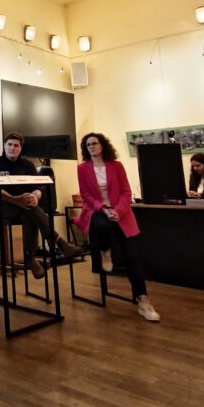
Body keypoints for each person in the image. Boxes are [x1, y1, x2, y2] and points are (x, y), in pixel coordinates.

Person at [76, 132, 160, 321]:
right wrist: (104, 209)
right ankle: (105, 251)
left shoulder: (116, 165)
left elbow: (126, 191)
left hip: (121, 213)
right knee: (102, 226)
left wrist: (118, 211)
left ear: (103, 145)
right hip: (97, 210)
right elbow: (86, 195)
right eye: (88, 144)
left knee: (133, 257)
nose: (91, 146)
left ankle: (143, 300)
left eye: (95, 143)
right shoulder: (82, 168)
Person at [0, 133, 82, 279]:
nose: (12, 148)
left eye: (16, 145)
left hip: (25, 204)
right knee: (30, 209)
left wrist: (35, 197)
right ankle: (58, 242)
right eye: (9, 144)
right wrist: (17, 200)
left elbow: (38, 188)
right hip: (4, 204)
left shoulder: (28, 164)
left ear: (21, 148)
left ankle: (30, 258)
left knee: (29, 213)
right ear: (4, 145)